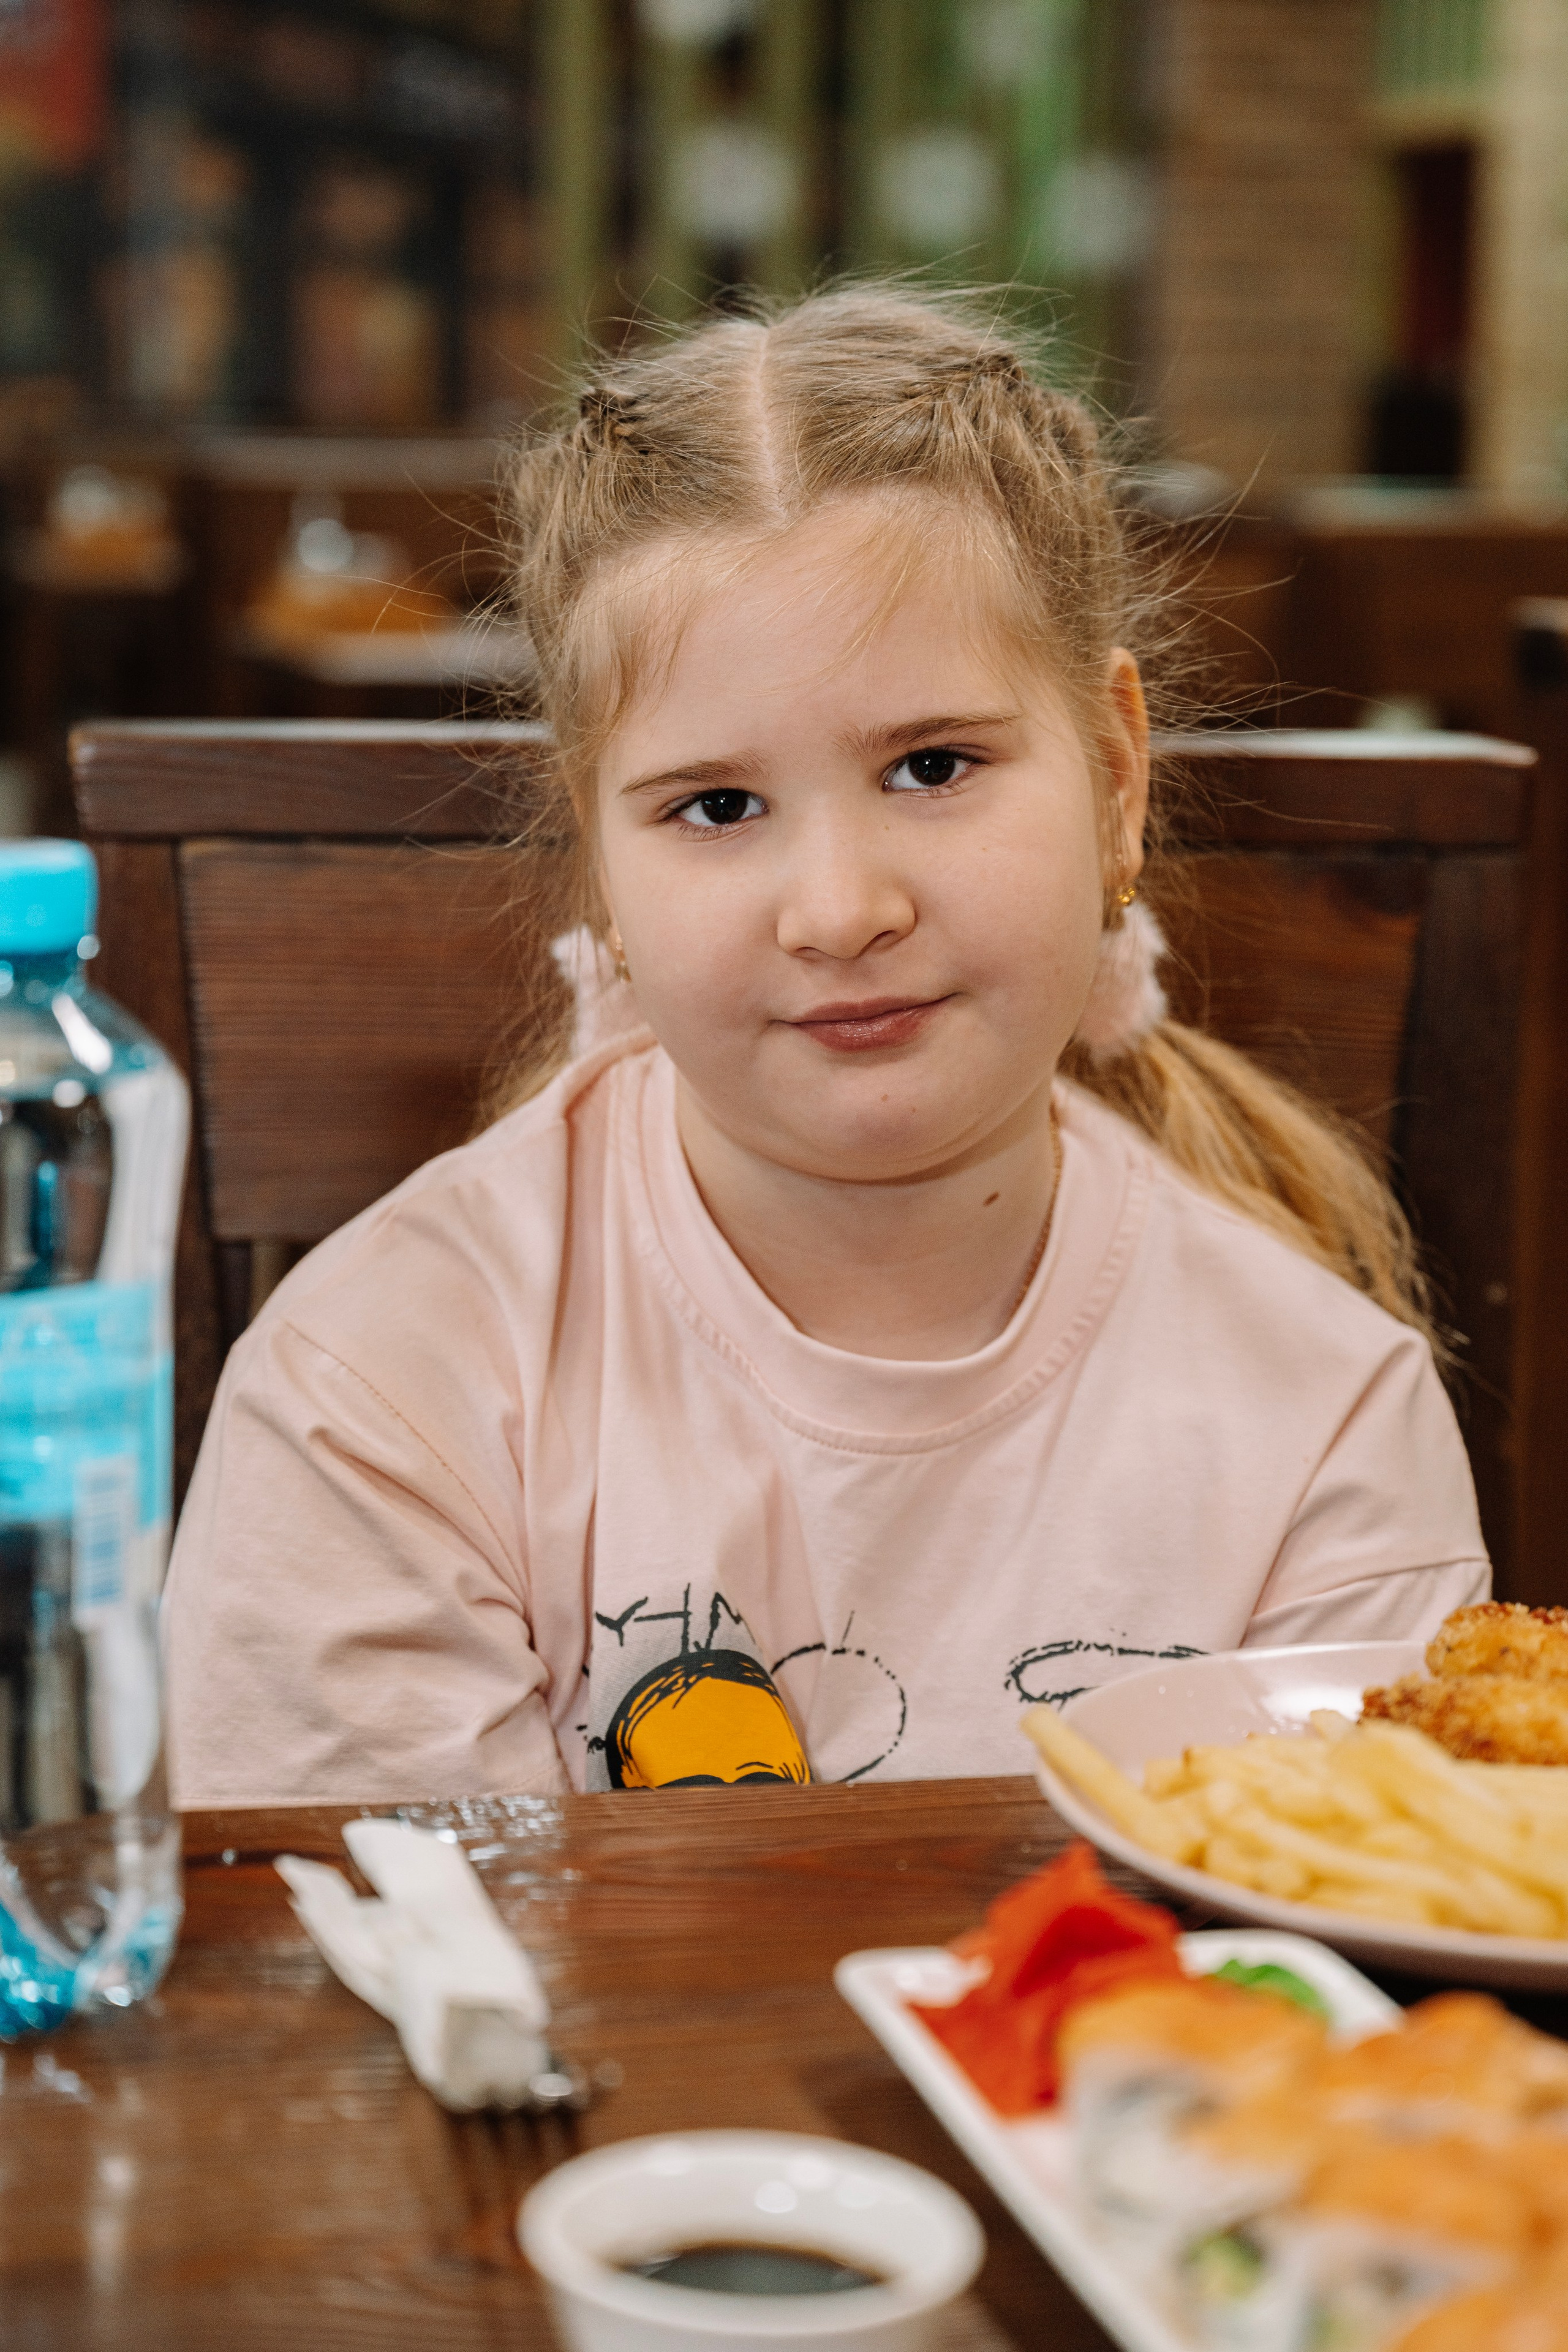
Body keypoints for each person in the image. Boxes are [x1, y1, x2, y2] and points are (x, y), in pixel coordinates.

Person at [164, 288, 1487, 1806]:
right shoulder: (381, 1393)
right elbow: (374, 1932)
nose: (842, 911)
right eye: (716, 807)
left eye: (932, 766)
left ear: (1116, 779)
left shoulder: (1322, 1419)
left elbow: (1343, 1921)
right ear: (600, 864)